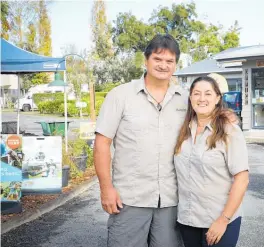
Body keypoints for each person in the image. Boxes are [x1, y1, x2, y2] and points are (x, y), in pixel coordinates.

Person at [94, 34, 185, 247]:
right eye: (157, 59)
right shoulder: (120, 96)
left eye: (169, 61)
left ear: (176, 65)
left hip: (172, 201)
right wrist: (106, 188)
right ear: (146, 60)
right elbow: (102, 144)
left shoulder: (186, 99)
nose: (163, 65)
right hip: (129, 199)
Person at [174, 76, 249, 247]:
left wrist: (223, 220)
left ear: (217, 98)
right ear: (190, 98)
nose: (202, 99)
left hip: (219, 219)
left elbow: (242, 179)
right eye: (197, 94)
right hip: (188, 219)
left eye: (208, 94)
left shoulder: (230, 131)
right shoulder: (183, 130)